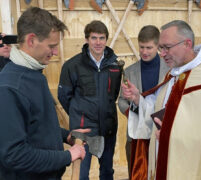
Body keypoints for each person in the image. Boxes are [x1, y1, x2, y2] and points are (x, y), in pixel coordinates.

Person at [122, 20, 201, 180]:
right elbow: (163, 110)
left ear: (187, 44)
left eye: (167, 47)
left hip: (192, 168)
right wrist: (139, 99)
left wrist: (170, 134)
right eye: (160, 48)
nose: (162, 53)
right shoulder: (174, 73)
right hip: (165, 159)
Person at [0, 7, 87, 180]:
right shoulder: (10, 88)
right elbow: (14, 155)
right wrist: (67, 156)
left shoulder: (34, 74)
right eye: (52, 46)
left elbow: (35, 124)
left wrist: (64, 135)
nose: (55, 52)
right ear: (31, 40)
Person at [58, 20, 122, 180]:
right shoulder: (72, 66)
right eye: (94, 38)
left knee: (107, 172)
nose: (98, 42)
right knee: (81, 174)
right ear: (87, 39)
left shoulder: (115, 65)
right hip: (83, 132)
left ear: (106, 39)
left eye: (102, 38)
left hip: (108, 128)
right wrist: (79, 114)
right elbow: (64, 97)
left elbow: (112, 95)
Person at [118, 25, 168, 178]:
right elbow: (121, 101)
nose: (144, 52)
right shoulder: (129, 71)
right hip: (136, 135)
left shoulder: (170, 70)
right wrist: (134, 111)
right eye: (141, 47)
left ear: (158, 46)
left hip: (161, 134)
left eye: (149, 48)